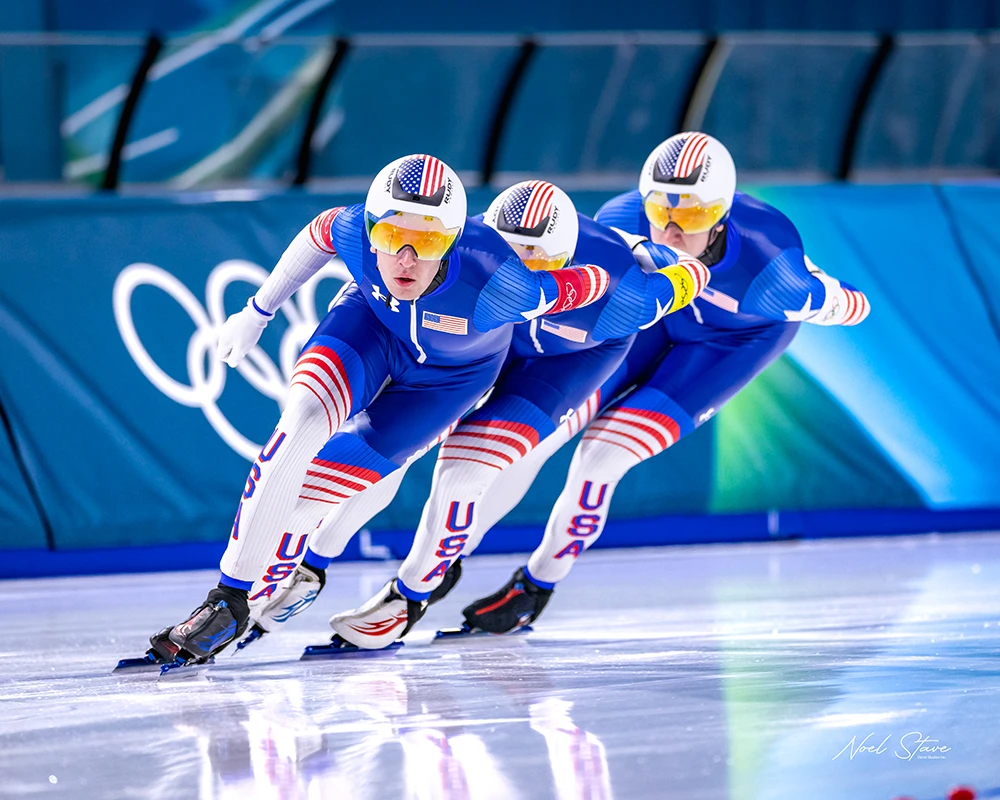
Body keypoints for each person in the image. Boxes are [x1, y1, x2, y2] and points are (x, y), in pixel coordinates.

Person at [135, 155, 620, 668]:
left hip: (453, 376)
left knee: (393, 480)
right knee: (298, 426)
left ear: (453, 240)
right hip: (372, 329)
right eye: (390, 237)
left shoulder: (508, 284)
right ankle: (230, 599)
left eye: (427, 242)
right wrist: (256, 311)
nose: (406, 259)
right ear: (370, 230)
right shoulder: (352, 230)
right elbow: (315, 235)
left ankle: (393, 586)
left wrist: (676, 278)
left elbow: (600, 285)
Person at [242, 180, 710, 650]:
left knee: (463, 471)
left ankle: (411, 595)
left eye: (539, 267)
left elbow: (693, 277)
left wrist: (651, 252)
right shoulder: (469, 255)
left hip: (566, 361)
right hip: (478, 344)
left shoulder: (622, 297)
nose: (523, 282)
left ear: (563, 265)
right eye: (511, 262)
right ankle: (314, 561)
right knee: (395, 443)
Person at [454, 131, 872, 633]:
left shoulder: (771, 266)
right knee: (537, 436)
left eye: (691, 215)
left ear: (721, 214)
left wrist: (825, 296)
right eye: (660, 211)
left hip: (729, 346)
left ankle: (538, 582)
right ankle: (449, 554)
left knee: (604, 455)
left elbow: (853, 306)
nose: (671, 232)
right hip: (653, 323)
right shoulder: (621, 221)